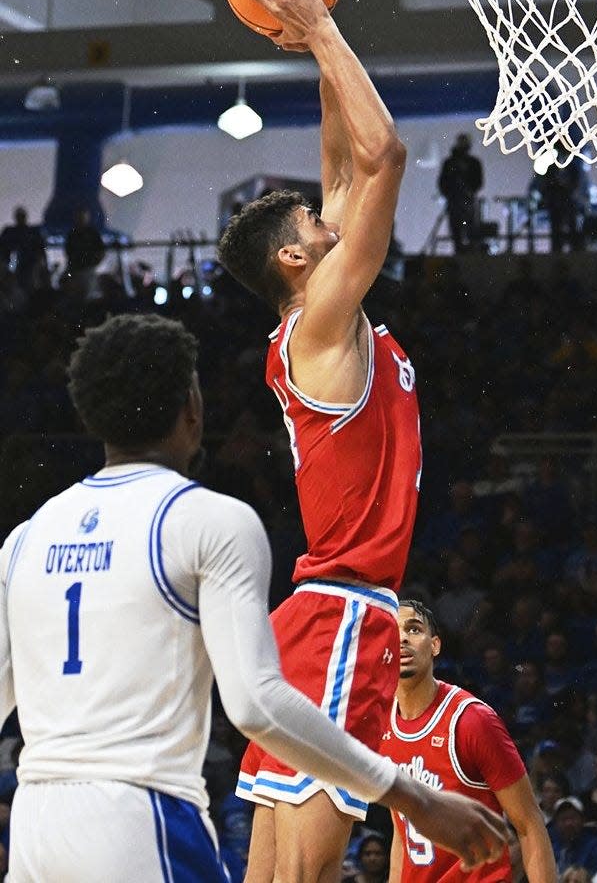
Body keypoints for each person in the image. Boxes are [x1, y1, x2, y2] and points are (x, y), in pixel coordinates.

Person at [0, 314, 506, 883]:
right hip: (138, 817)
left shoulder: (25, 539)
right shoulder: (210, 520)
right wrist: (414, 797)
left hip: (34, 823)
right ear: (192, 405)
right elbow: (254, 705)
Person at [217, 0, 423, 881]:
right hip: (341, 614)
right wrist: (327, 30)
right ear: (297, 264)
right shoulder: (324, 321)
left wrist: (310, 43)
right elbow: (384, 156)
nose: (329, 219)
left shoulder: (314, 316)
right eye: (313, 225)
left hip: (317, 614)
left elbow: (345, 159)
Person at [380, 599, 556, 883]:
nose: (401, 638)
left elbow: (529, 824)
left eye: (413, 630)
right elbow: (401, 834)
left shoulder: (472, 720)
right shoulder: (382, 726)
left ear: (435, 645)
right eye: (391, 631)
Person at [437, 133, 483, 253]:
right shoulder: (450, 163)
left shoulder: (473, 163)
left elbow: (478, 182)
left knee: (470, 228)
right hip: (455, 202)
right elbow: (443, 182)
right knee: (457, 229)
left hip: (467, 201)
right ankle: (460, 251)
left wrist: (467, 190)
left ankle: (470, 251)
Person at [548, 797, 597, 875]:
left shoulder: (595, 847)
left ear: (583, 820)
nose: (568, 823)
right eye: (563, 819)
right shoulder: (550, 848)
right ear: (555, 823)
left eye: (573, 818)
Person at [0, 207, 47, 293]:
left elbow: (41, 251)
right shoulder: (10, 233)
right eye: (19, 216)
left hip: (31, 267)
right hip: (13, 267)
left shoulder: (32, 233)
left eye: (22, 216)